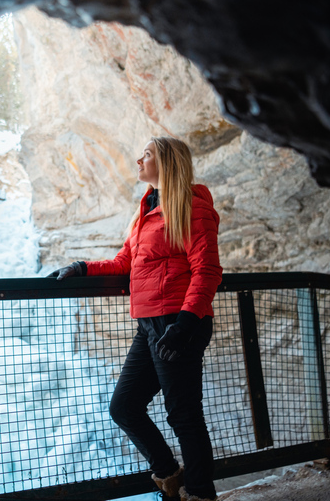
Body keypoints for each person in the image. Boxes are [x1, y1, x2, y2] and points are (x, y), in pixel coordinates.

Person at [49, 137, 222, 501]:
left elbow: (206, 270)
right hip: (150, 323)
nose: (138, 159)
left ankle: (202, 495)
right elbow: (124, 263)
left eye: (147, 154)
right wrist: (81, 267)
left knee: (184, 415)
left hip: (178, 321)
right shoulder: (146, 210)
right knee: (124, 406)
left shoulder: (192, 207)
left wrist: (185, 325)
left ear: (168, 162)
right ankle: (170, 478)